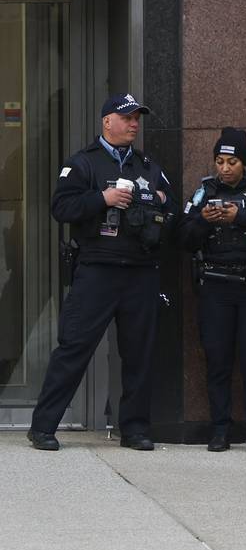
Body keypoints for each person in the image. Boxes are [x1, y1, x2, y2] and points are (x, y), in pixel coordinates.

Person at [27, 93, 175, 451]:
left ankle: (135, 429)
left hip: (140, 270)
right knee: (74, 347)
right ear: (107, 121)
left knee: (138, 353)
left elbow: (170, 210)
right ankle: (43, 426)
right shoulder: (83, 164)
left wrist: (160, 201)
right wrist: (103, 200)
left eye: (137, 118)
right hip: (97, 269)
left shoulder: (147, 166)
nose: (134, 124)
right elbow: (61, 207)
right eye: (127, 118)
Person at [178, 128, 246, 454]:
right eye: (220, 161)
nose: (225, 168)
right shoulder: (203, 191)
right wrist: (204, 221)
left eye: (232, 162)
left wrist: (241, 215)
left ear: (244, 163)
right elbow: (181, 236)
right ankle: (220, 430)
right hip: (215, 287)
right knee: (218, 361)